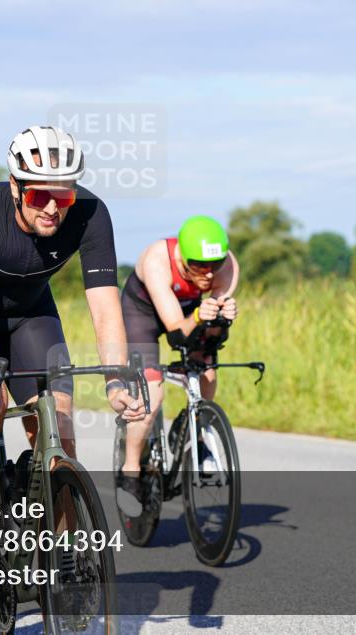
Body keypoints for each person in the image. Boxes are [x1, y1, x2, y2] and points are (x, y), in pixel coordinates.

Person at [0, 126, 144, 564]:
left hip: (31, 312)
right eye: (38, 195)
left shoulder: (92, 214)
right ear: (14, 186)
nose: (50, 208)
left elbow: (105, 310)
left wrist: (116, 381)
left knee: (59, 428)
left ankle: (67, 558)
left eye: (61, 197)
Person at [117, 216, 239, 514]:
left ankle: (196, 431)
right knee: (151, 395)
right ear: (182, 258)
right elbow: (176, 332)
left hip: (189, 312)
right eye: (198, 265)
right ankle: (130, 469)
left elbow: (210, 338)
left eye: (214, 264)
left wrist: (222, 320)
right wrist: (200, 317)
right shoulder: (157, 260)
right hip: (144, 313)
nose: (208, 274)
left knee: (206, 370)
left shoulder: (228, 267)